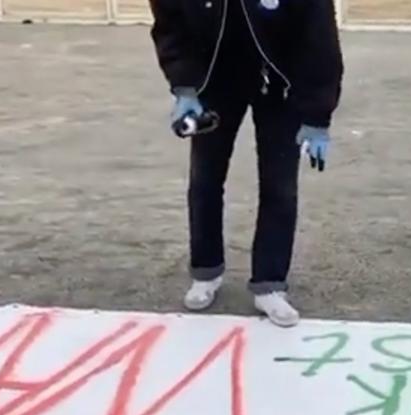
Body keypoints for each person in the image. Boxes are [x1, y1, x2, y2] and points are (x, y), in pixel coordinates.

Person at [147, 0, 343, 326]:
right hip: (216, 79)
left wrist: (317, 115)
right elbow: (170, 22)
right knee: (205, 179)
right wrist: (185, 86)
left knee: (279, 186)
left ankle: (270, 284)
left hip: (280, 81)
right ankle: (206, 270)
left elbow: (319, 35)